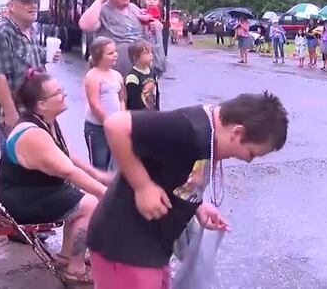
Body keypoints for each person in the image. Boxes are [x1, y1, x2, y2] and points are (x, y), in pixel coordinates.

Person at [86, 92, 289, 288]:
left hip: (153, 248)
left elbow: (175, 170)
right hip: (124, 247)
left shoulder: (212, 134)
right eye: (251, 153)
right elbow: (116, 125)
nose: (247, 160)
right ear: (237, 132)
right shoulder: (186, 128)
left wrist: (197, 204)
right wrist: (143, 186)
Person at [0, 70, 111, 285]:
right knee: (91, 203)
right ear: (41, 104)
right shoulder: (33, 134)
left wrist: (96, 174)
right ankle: (75, 269)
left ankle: (66, 256)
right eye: (58, 93)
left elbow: (67, 154)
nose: (64, 95)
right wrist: (106, 193)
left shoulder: (46, 122)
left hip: (35, 192)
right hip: (21, 201)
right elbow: (68, 171)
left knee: (83, 197)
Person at [0, 0, 59, 146]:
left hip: (32, 111)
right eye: (26, 2)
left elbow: (32, 60)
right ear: (11, 6)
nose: (33, 5)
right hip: (15, 113)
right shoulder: (2, 33)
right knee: (15, 167)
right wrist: (11, 114)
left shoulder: (30, 30)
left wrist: (48, 55)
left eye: (34, 1)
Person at [79, 0, 165, 78]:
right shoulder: (103, 11)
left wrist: (155, 26)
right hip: (115, 79)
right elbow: (85, 25)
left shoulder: (134, 8)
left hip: (140, 78)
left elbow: (148, 33)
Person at [84, 37, 126, 171]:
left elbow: (121, 99)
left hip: (115, 127)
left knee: (113, 163)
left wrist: (122, 118)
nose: (115, 55)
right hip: (97, 128)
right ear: (98, 56)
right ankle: (98, 191)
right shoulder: (93, 76)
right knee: (99, 164)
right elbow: (94, 104)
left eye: (115, 52)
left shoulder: (117, 75)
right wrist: (108, 122)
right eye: (110, 53)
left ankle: (109, 190)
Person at [125, 39, 159, 112]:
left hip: (152, 112)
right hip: (139, 115)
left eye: (151, 52)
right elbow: (131, 101)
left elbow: (157, 93)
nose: (151, 55)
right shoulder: (133, 77)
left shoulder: (153, 72)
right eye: (146, 53)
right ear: (135, 57)